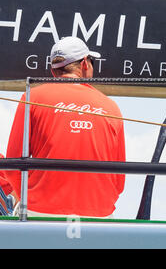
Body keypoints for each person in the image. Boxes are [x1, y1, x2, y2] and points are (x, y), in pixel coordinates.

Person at [3, 36, 126, 218]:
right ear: (85, 63)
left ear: (54, 70)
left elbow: (12, 164)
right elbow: (119, 180)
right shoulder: (111, 106)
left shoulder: (32, 97)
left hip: (40, 212)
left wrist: (29, 199)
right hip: (99, 216)